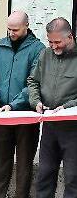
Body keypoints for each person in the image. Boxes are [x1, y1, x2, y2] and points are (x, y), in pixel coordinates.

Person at [0, 11, 45, 198]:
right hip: (1, 115)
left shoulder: (38, 49)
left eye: (16, 30)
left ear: (26, 26)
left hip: (26, 115)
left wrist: (14, 105)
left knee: (24, 165)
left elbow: (34, 82)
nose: (11, 33)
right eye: (9, 29)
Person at [28, 17, 77, 198]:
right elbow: (33, 81)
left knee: (73, 178)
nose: (53, 46)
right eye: (50, 41)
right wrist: (36, 102)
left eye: (58, 42)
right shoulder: (45, 54)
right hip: (50, 125)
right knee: (45, 175)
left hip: (73, 128)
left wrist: (66, 106)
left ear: (70, 37)